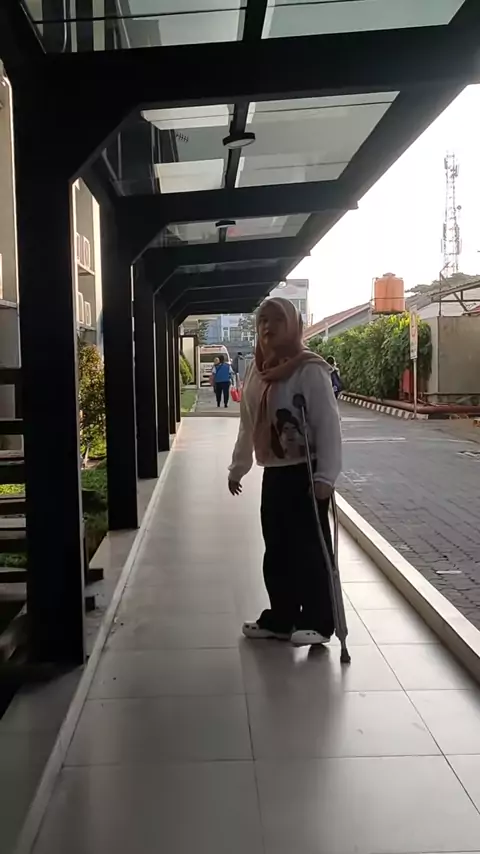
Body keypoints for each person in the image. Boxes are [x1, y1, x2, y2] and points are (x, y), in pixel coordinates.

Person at [228, 297, 342, 646]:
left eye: (277, 319)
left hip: (306, 474)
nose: (268, 326)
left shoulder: (310, 369)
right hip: (275, 472)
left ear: (293, 325)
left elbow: (328, 425)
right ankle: (282, 618)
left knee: (311, 550)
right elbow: (249, 424)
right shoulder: (257, 371)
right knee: (277, 549)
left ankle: (320, 622)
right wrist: (238, 467)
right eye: (263, 320)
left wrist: (326, 477)